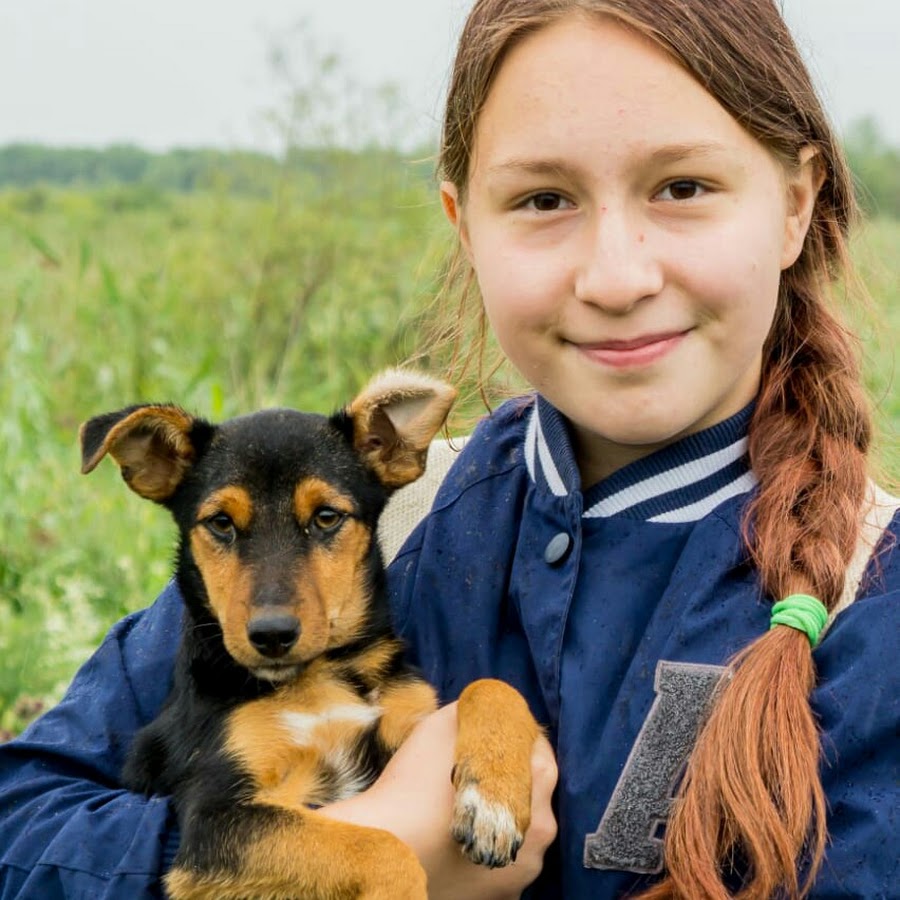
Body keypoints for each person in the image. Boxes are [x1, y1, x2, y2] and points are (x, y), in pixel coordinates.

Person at [1, 0, 897, 897]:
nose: (618, 277)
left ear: (795, 202)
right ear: (463, 223)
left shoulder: (868, 596)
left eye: (684, 188)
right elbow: (23, 817)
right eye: (543, 199)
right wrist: (368, 845)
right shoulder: (382, 518)